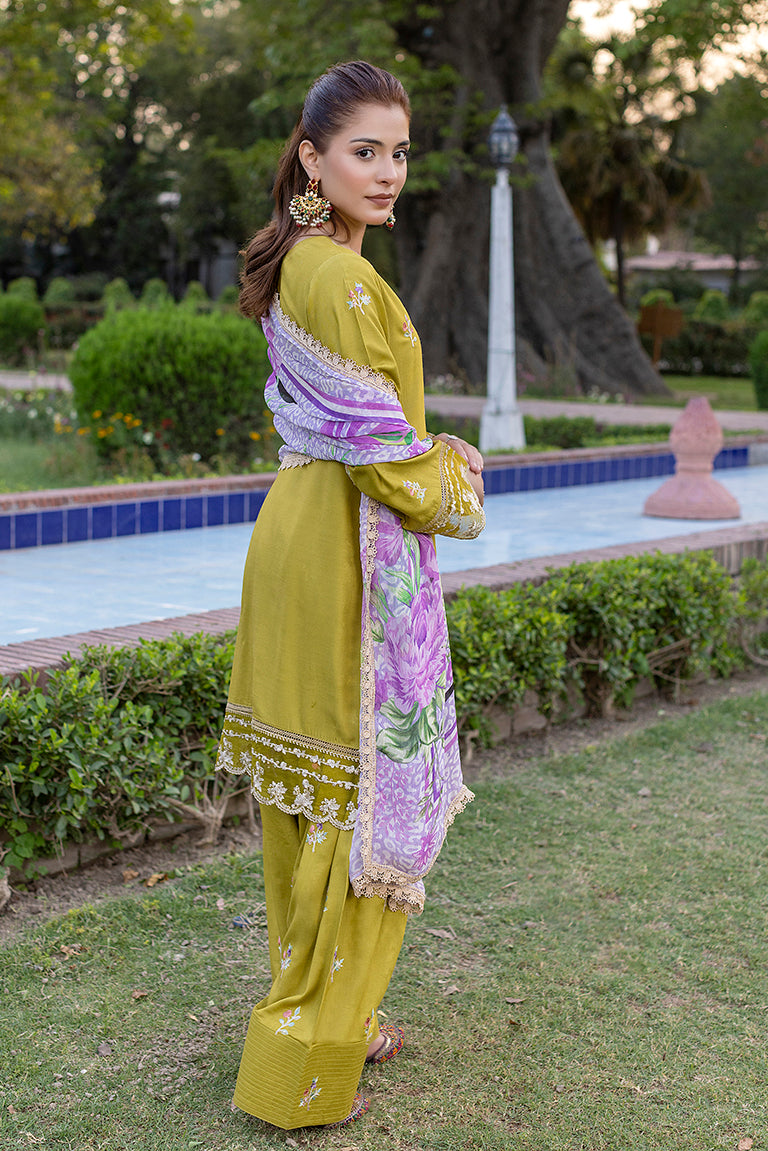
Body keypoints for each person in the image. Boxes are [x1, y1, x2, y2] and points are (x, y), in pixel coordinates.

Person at [215, 59, 486, 1130]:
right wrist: (457, 480)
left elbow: (361, 429)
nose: (387, 171)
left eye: (398, 152)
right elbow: (388, 460)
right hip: (344, 547)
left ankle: (332, 1015)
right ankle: (309, 1054)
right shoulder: (345, 278)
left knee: (315, 797)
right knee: (363, 794)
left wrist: (419, 448)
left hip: (300, 531)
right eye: (364, 151)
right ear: (312, 157)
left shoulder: (300, 263)